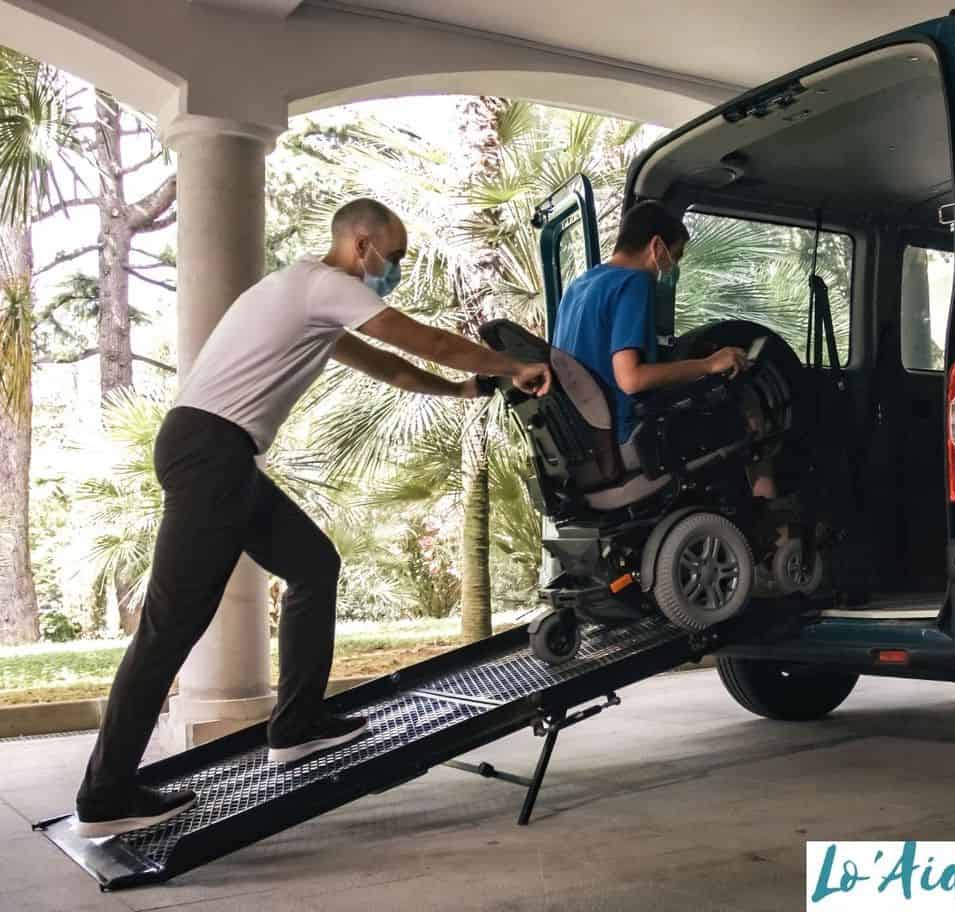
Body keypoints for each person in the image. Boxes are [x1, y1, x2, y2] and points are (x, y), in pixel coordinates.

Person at [73, 198, 552, 838]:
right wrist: (514, 365)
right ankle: (105, 797)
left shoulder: (308, 298)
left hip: (223, 456)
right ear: (362, 245)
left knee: (312, 565)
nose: (395, 268)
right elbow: (425, 341)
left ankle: (295, 729)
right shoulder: (325, 286)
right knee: (171, 625)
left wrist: (465, 390)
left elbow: (391, 366)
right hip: (209, 453)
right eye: (395, 255)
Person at [551, 200, 775, 498]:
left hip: (584, 442)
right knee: (746, 407)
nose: (673, 267)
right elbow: (631, 379)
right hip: (626, 436)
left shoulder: (579, 286)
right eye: (675, 256)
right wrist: (709, 364)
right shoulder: (635, 282)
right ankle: (771, 519)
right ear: (656, 246)